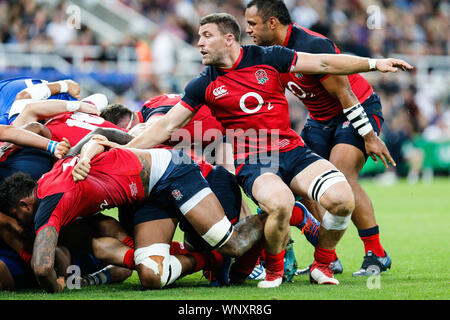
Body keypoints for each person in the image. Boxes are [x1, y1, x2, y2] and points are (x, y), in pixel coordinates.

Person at [104, 13, 411, 288]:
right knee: (280, 205)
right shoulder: (203, 84)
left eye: (206, 36)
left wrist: (374, 64)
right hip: (254, 161)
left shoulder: (269, 57)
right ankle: (275, 270)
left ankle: (322, 263)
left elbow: (324, 63)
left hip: (292, 149)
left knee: (342, 200)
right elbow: (165, 126)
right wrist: (124, 152)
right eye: (198, 37)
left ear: (228, 38)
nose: (199, 43)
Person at [0, 134, 266, 293]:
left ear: (24, 204)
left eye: (17, 216)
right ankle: (209, 259)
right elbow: (95, 138)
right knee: (151, 276)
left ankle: (280, 216)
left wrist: (57, 286)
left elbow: (42, 266)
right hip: (148, 196)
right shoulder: (50, 176)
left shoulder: (50, 202)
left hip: (172, 171)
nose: (21, 224)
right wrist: (86, 156)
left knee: (233, 244)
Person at [244, 0, 396, 276]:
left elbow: (345, 95)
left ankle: (376, 253)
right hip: (319, 119)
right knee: (304, 183)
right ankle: (328, 257)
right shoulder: (265, 52)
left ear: (272, 23)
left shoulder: (312, 46)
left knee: (341, 174)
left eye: (252, 24)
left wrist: (369, 136)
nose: (248, 30)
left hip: (354, 111)